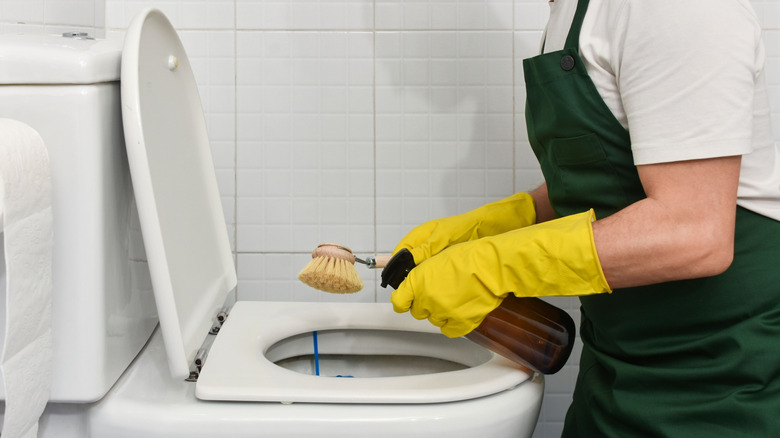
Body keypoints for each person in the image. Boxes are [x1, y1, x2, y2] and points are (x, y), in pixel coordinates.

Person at [389, 0, 780, 436]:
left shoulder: (672, 8)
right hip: (616, 368)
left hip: (719, 379)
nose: (399, 79)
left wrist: (492, 265)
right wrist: (495, 225)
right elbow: (607, 182)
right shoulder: (572, 13)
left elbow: (695, 232)